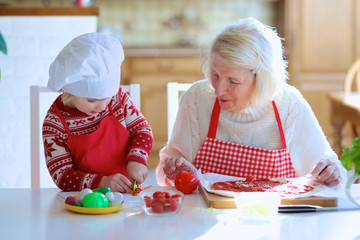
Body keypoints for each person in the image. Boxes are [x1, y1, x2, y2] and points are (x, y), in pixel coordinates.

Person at [156, 17, 346, 187]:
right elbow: (164, 174)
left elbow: (329, 168)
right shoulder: (196, 99)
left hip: (275, 220)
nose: (219, 89)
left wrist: (331, 172)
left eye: (233, 81)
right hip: (208, 217)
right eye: (215, 75)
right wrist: (173, 171)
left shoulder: (289, 105)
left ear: (262, 79)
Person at [43, 33, 153, 193]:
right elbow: (62, 175)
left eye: (106, 98)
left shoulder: (118, 99)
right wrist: (102, 182)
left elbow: (141, 130)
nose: (101, 106)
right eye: (92, 101)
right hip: (85, 199)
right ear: (68, 91)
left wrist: (137, 160)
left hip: (127, 194)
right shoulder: (55, 123)